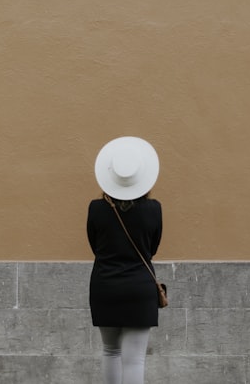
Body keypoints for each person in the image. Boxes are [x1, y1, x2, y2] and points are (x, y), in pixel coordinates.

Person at [87, 136, 163, 384]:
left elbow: (95, 247)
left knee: (110, 351)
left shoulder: (96, 209)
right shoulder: (153, 209)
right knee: (135, 360)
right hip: (139, 288)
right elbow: (152, 249)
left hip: (105, 286)